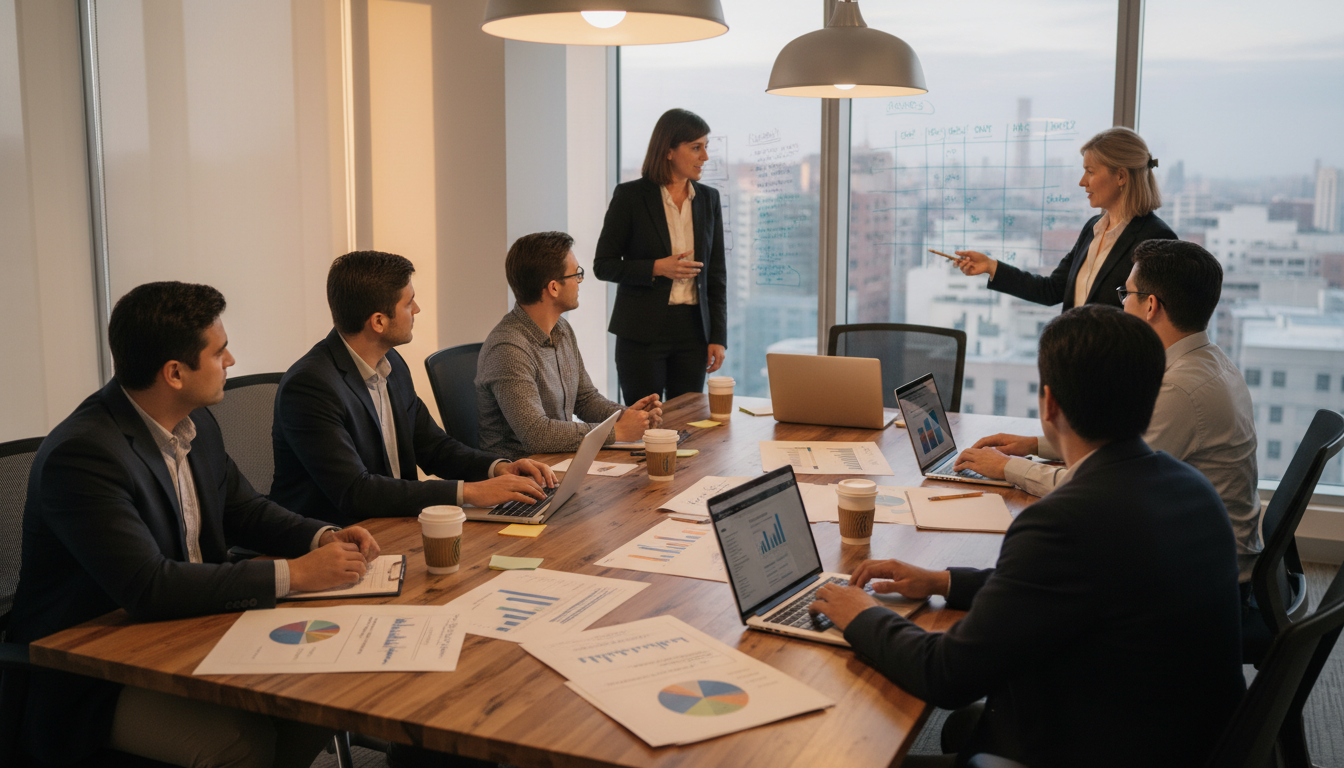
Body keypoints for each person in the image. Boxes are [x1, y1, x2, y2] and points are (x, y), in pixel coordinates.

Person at [810, 305, 1245, 768]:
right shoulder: (1193, 489)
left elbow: (946, 676)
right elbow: (1060, 584)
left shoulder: (1063, 521)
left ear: (1050, 402)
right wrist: (942, 581)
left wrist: (861, 615)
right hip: (1182, 740)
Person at [5, 282, 381, 767]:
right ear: (175, 373)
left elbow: (245, 510)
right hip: (95, 675)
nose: (231, 361)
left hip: (190, 633)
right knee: (237, 743)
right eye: (219, 352)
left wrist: (321, 535)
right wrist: (298, 575)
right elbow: (149, 585)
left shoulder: (194, 423)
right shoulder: (84, 455)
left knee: (325, 697)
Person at [956, 239, 1263, 582]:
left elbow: (1099, 484)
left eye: (1125, 294)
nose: (1121, 305)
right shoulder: (1209, 360)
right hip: (1197, 542)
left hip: (1202, 575)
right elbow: (1123, 450)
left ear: (1150, 305)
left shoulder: (1179, 391)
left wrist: (1007, 468)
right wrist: (1033, 446)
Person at [270, 251, 556, 527]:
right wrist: (469, 493)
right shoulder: (310, 387)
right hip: (337, 540)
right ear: (378, 321)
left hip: (396, 522)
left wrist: (499, 468)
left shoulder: (390, 362)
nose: (417, 310)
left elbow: (433, 447)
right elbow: (356, 492)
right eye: (409, 303)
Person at [477, 231, 663, 459]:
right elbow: (536, 434)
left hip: (560, 462)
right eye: (576, 274)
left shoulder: (562, 329)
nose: (579, 281)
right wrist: (616, 431)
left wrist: (627, 416)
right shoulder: (508, 349)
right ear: (553, 288)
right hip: (521, 476)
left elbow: (585, 399)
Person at [952, 127, 1176, 309]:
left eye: (1090, 171)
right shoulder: (1093, 228)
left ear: (1120, 176)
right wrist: (992, 266)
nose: (1082, 181)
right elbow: (1051, 290)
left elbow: (1154, 319)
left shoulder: (1158, 239)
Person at [594, 107, 728, 405]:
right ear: (668, 151)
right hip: (641, 334)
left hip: (694, 333)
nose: (704, 156)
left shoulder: (709, 199)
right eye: (696, 148)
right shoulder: (630, 197)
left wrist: (717, 336)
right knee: (646, 426)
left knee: (689, 425)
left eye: (705, 147)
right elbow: (603, 265)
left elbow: (716, 274)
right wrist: (656, 267)